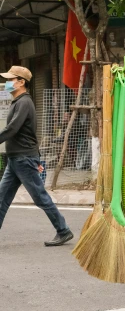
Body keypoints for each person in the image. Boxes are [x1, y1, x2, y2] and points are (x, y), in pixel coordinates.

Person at [0, 65, 74, 246]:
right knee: (1, 197)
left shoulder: (24, 102)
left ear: (21, 82)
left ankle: (63, 230)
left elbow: (13, 129)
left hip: (24, 159)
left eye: (10, 80)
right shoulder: (18, 102)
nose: (7, 83)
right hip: (17, 158)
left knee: (40, 197)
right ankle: (63, 230)